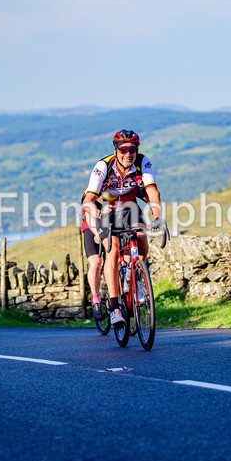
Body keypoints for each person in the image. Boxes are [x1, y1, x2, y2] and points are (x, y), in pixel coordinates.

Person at [81, 129, 165, 326]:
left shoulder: (142, 163)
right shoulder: (103, 166)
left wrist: (157, 217)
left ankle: (138, 275)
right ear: (116, 150)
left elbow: (152, 192)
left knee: (142, 236)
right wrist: (98, 225)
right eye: (123, 150)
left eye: (132, 150)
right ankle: (114, 308)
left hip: (128, 208)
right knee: (114, 248)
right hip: (103, 210)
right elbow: (88, 201)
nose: (128, 154)